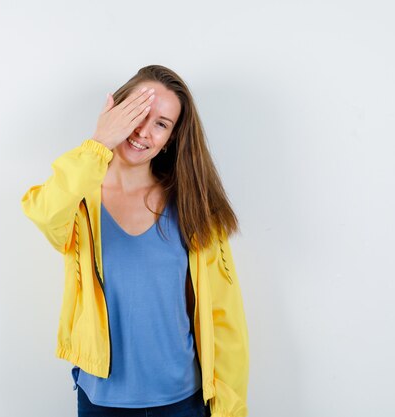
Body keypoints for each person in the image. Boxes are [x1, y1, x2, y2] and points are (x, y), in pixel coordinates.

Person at [21, 65, 249, 417]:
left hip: (183, 401)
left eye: (161, 123)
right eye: (137, 113)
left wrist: (229, 409)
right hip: (102, 402)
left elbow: (224, 317)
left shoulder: (191, 203)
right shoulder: (80, 202)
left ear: (171, 138)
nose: (143, 131)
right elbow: (44, 212)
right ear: (114, 114)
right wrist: (98, 145)